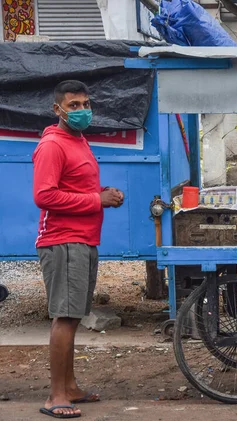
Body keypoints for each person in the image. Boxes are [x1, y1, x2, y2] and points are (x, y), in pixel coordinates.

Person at [33, 80, 124, 418]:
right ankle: (56, 396)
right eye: (74, 106)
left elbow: (76, 186)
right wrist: (95, 199)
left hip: (84, 238)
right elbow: (44, 196)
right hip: (63, 240)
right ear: (57, 110)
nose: (82, 110)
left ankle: (70, 386)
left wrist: (104, 194)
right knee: (65, 317)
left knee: (73, 315)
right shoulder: (53, 145)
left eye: (85, 103)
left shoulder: (78, 140)